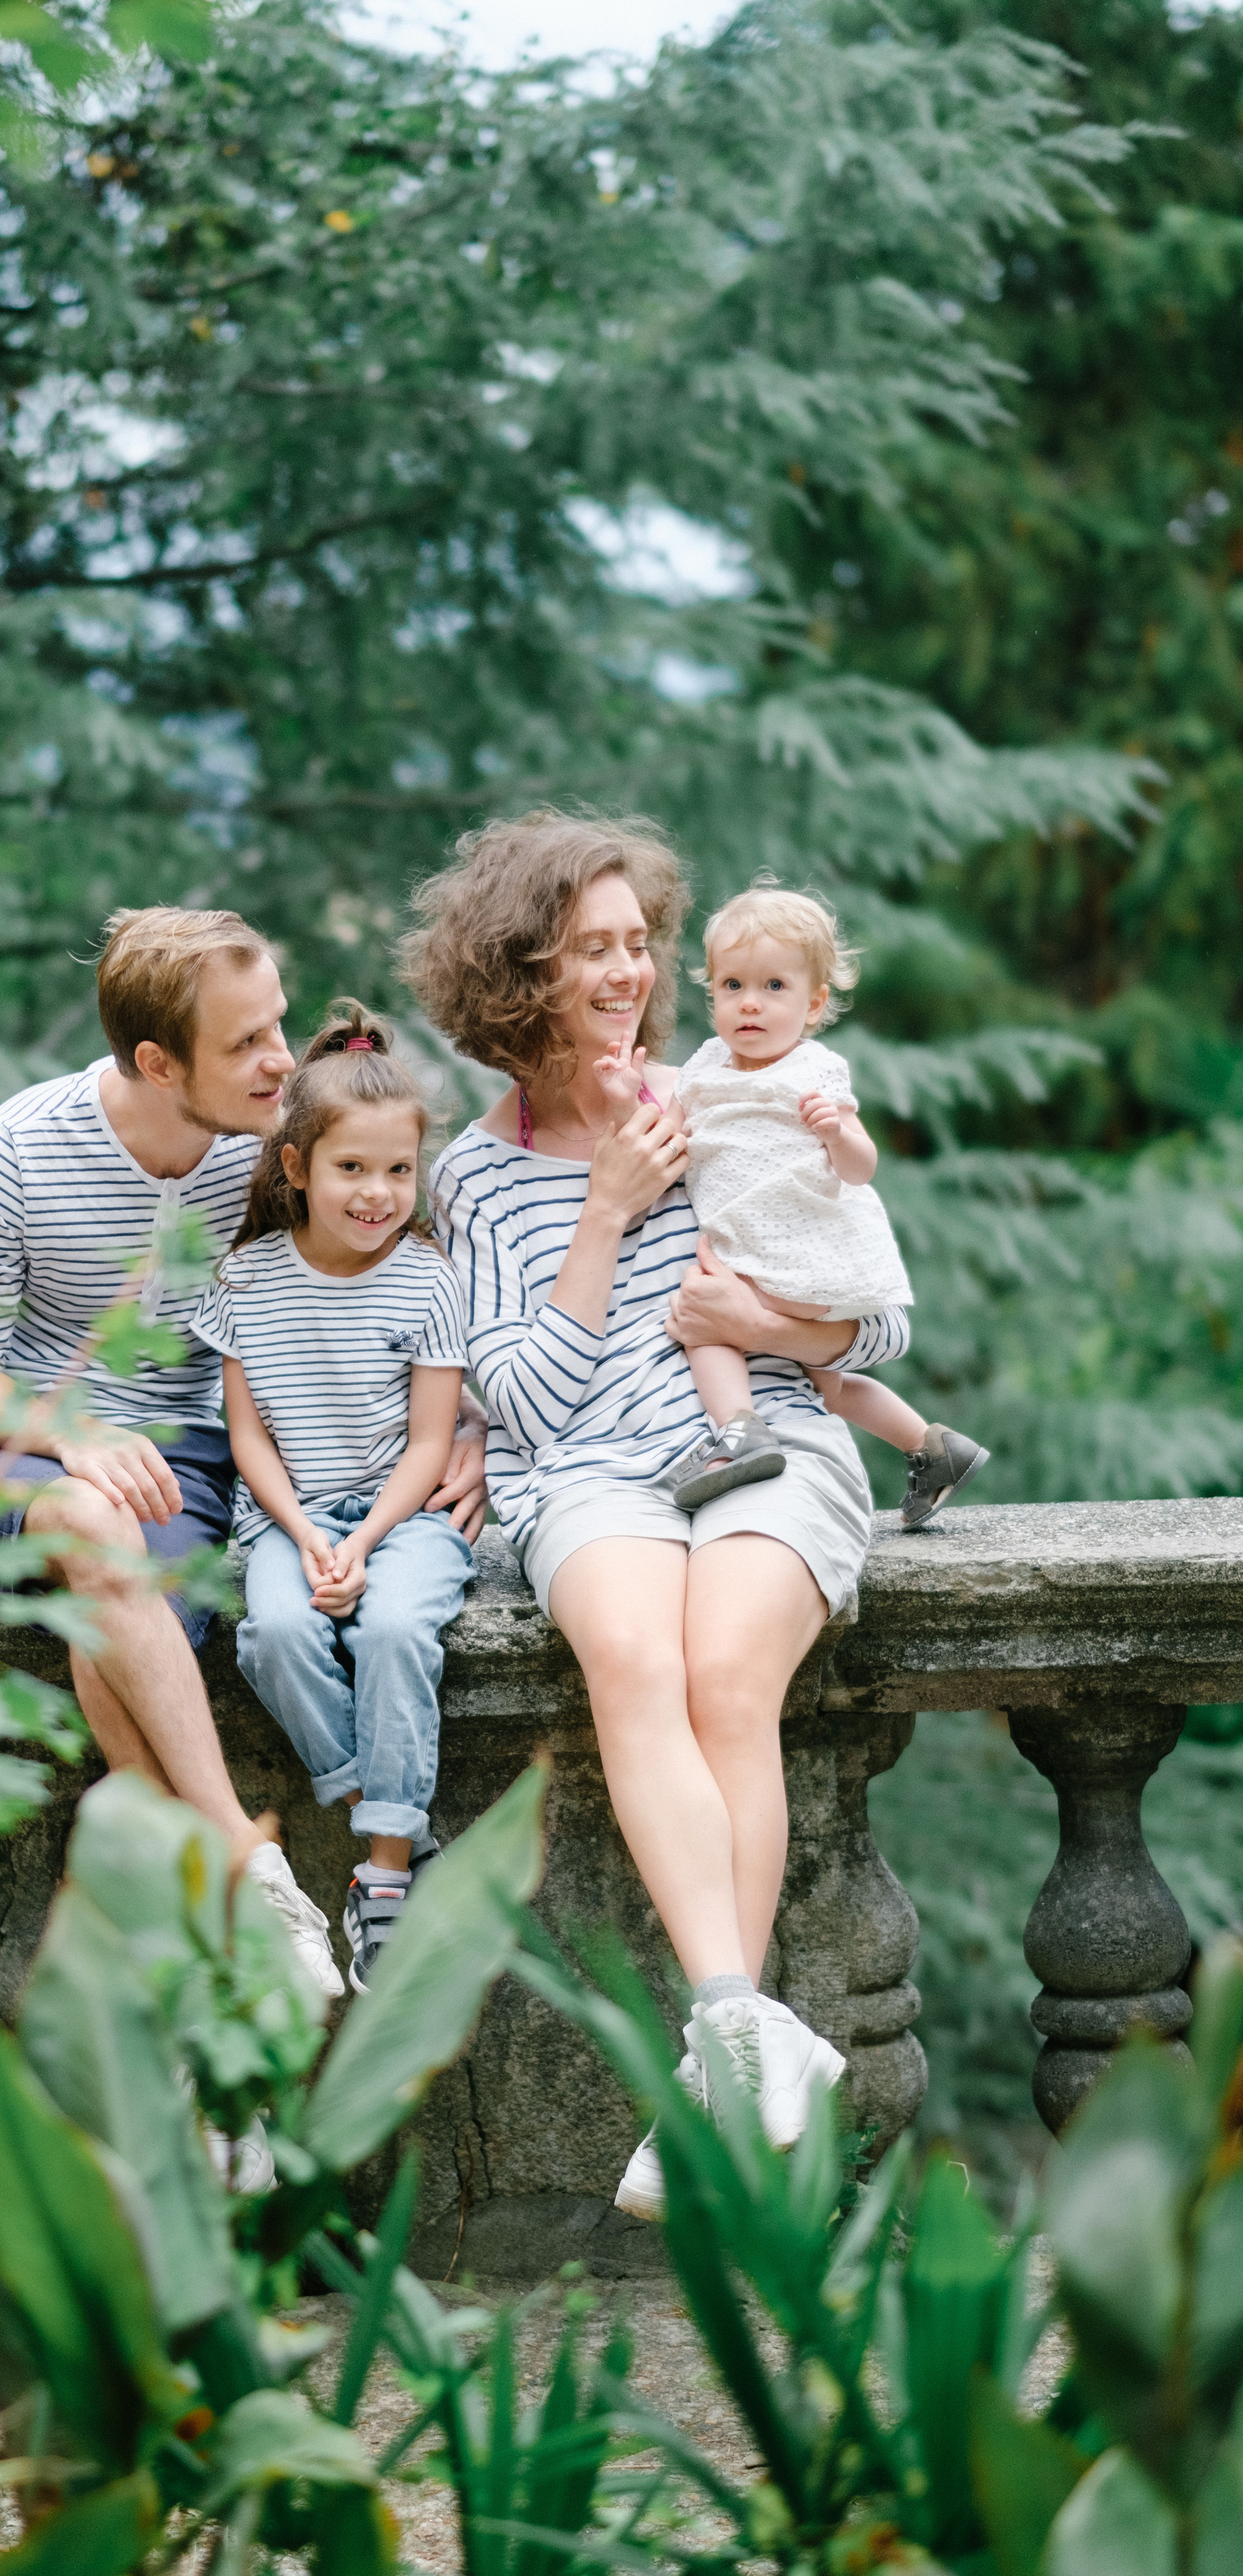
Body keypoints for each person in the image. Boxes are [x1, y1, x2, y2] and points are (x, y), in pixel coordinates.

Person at [404, 810, 912, 2202]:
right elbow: (521, 1399)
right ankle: (743, 2039)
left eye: (639, 945)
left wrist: (759, 1317)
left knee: (721, 1674)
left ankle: (724, 2047)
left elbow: (870, 1330)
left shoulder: (727, 1103)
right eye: (592, 951)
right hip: (586, 1473)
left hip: (768, 1441)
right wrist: (605, 1214)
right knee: (632, 1658)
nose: (629, 975)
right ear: (521, 974)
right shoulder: (470, 1177)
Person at [0, 905, 488, 2009]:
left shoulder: (280, 1149)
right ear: (157, 1062)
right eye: (248, 1044)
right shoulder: (18, 1147)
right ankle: (245, 1860)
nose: (283, 1060)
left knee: (119, 1621)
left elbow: (398, 1281)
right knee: (88, 1519)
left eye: (277, 1023)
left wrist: (472, 1433)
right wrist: (76, 1434)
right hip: (12, 1448)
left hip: (191, 1466)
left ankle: (192, 1962)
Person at [192, 1004, 474, 1992]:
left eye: (399, 1171)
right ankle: (377, 1797)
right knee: (271, 1633)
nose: (378, 1192)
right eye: (353, 1169)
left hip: (410, 1518)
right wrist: (309, 1535)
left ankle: (385, 1875)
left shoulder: (428, 1280)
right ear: (297, 1167)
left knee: (397, 1631)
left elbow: (433, 1442)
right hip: (288, 1515)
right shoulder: (243, 1279)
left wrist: (364, 1544)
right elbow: (246, 1435)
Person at [667, 881, 987, 1530]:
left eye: (773, 988)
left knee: (708, 1323)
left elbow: (860, 1169)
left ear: (814, 1004)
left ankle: (739, 1431)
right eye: (732, 987)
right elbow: (667, 1134)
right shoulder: (703, 1065)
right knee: (828, 1389)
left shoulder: (815, 1071)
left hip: (795, 1254)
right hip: (771, 1256)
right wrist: (625, 1098)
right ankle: (932, 1447)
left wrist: (837, 1133)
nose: (750, 1004)